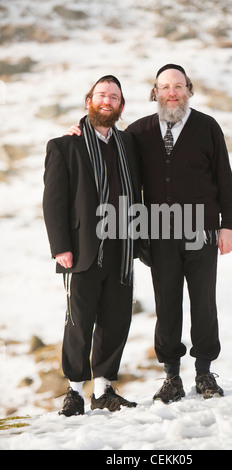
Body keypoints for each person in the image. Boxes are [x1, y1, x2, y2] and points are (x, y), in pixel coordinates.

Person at [66, 64, 232, 404]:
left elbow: (224, 179)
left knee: (203, 302)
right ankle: (171, 376)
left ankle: (204, 373)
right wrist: (79, 132)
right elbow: (107, 147)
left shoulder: (207, 127)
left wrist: (227, 224)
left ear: (189, 89)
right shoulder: (138, 132)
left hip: (201, 229)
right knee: (167, 303)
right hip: (158, 232)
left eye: (178, 86)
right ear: (154, 92)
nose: (171, 92)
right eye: (164, 87)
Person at [43, 75, 142, 416]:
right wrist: (60, 247)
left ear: (121, 105)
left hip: (122, 247)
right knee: (79, 321)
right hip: (83, 249)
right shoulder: (65, 145)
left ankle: (104, 390)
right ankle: (73, 391)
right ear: (89, 100)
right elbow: (54, 201)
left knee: (116, 320)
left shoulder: (129, 144)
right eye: (101, 95)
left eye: (113, 96)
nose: (107, 101)